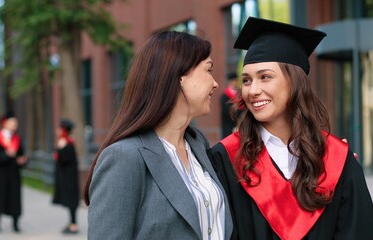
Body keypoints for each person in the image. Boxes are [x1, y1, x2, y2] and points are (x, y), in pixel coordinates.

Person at [209, 17, 373, 240]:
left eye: (265, 77)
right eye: (247, 80)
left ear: (294, 82)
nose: (252, 90)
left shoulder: (337, 158)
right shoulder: (226, 159)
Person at [84, 31, 233, 239]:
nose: (215, 83)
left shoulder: (198, 145)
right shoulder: (125, 157)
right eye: (208, 70)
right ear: (180, 77)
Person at [0, 112, 27, 233]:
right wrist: (5, 155)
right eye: (13, 122)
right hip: (1, 174)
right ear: (5, 123)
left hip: (14, 174)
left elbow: (22, 154)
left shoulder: (17, 139)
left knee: (15, 198)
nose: (15, 124)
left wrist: (22, 161)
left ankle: (15, 224)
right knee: (0, 197)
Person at [52, 119, 80, 234]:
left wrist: (60, 148)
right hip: (69, 177)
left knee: (71, 201)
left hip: (69, 178)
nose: (57, 131)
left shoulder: (66, 143)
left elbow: (64, 160)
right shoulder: (68, 142)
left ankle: (73, 226)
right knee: (70, 201)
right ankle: (72, 223)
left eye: (59, 129)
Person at [220, 72, 239, 138]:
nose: (235, 83)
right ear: (230, 82)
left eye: (236, 80)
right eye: (233, 81)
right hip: (228, 127)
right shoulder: (225, 96)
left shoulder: (240, 95)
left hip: (239, 126)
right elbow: (227, 111)